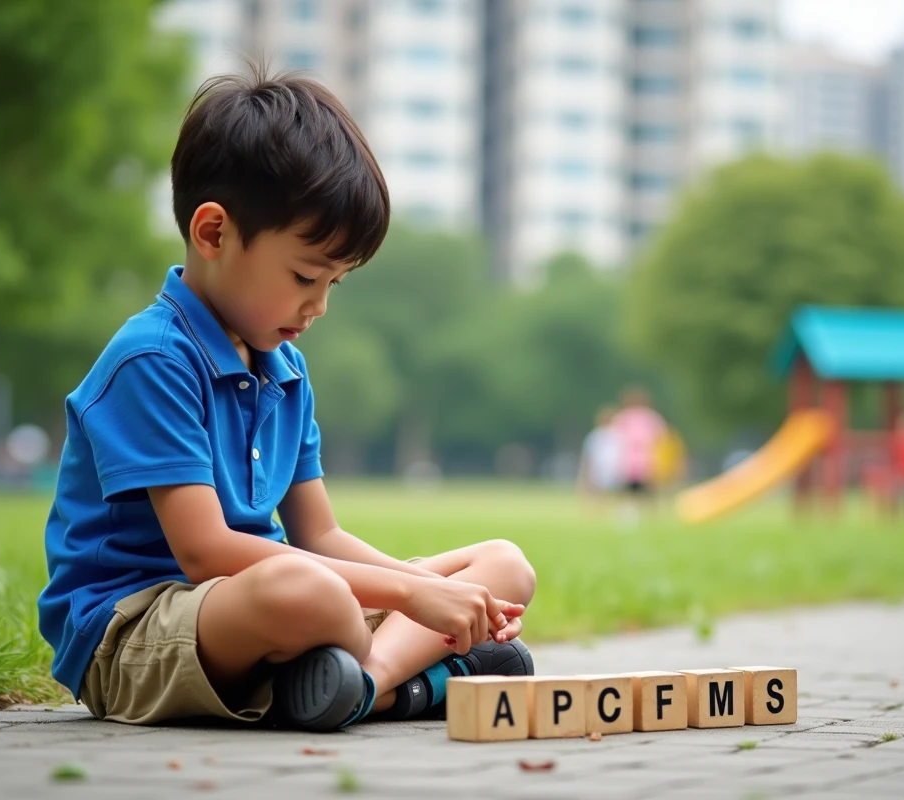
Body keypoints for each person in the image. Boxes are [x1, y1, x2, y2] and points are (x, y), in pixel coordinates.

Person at [37, 68, 536, 732]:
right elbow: (207, 553)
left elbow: (319, 533)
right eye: (305, 275)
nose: (320, 305)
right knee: (315, 594)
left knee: (503, 565)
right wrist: (412, 596)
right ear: (213, 234)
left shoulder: (285, 369)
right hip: (137, 626)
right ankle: (418, 681)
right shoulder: (153, 358)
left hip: (277, 600)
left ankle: (361, 686)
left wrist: (433, 593)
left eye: (335, 282)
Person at [612, 386, 669, 497]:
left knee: (647, 484)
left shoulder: (650, 417)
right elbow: (615, 436)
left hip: (647, 456)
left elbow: (660, 436)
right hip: (628, 456)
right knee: (629, 485)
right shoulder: (624, 417)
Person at [577, 405, 623, 505]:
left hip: (614, 468)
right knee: (600, 493)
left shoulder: (618, 435)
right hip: (601, 468)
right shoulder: (597, 435)